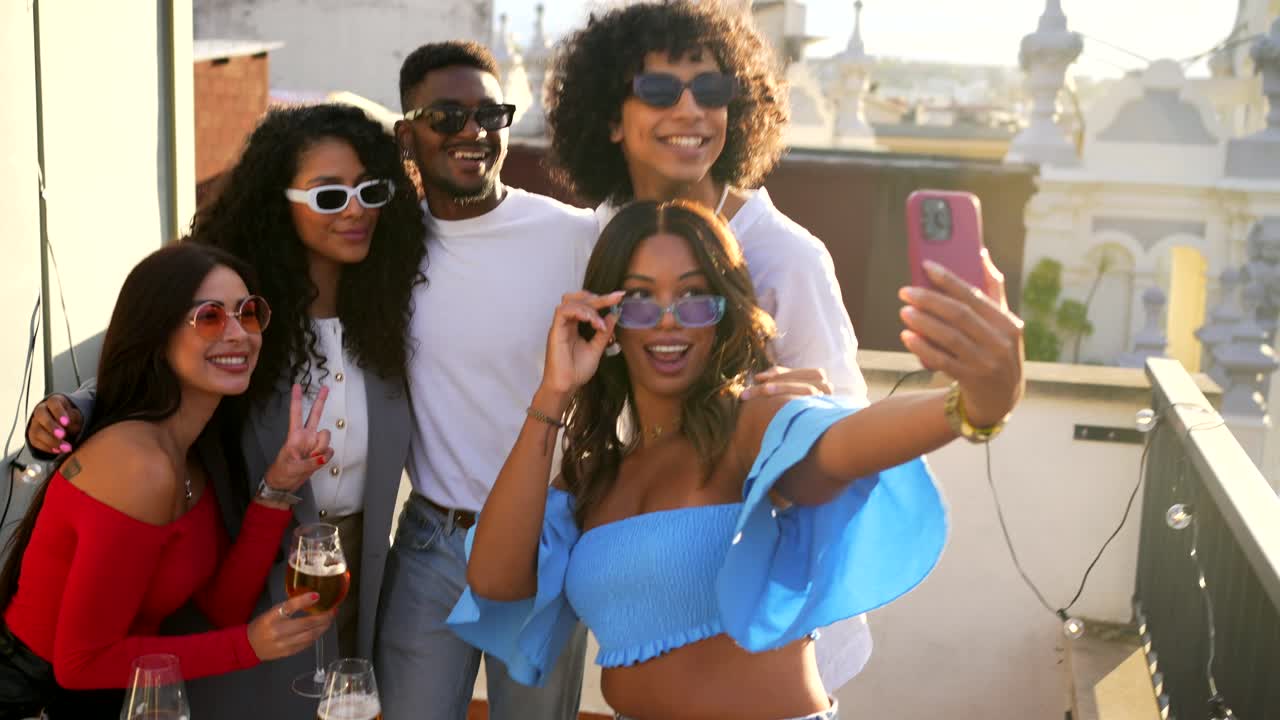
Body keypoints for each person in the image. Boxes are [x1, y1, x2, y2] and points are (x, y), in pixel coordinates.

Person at [449, 200, 1025, 720]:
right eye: (640, 300)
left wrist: (973, 403)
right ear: (607, 321)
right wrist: (554, 393)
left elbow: (845, 442)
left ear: (724, 313)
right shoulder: (596, 472)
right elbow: (495, 579)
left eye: (695, 298)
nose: (669, 319)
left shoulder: (753, 422)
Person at [23, 103, 426, 719]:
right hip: (237, 582)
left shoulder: (393, 314)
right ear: (276, 201)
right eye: (327, 195)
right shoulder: (238, 303)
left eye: (371, 191)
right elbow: (144, 359)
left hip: (350, 578)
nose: (355, 210)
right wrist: (71, 411)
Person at [545, 0, 881, 686]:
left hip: (768, 626)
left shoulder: (786, 256)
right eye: (660, 90)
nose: (691, 110)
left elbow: (848, 437)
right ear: (611, 116)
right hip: (645, 600)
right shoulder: (595, 240)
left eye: (712, 89)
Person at [0, 244, 335, 719]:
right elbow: (79, 665)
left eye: (248, 313)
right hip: (33, 702)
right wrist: (250, 647)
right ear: (157, 335)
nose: (239, 333)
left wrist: (278, 487)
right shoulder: (139, 466)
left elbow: (223, 608)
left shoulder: (191, 454)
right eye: (211, 317)